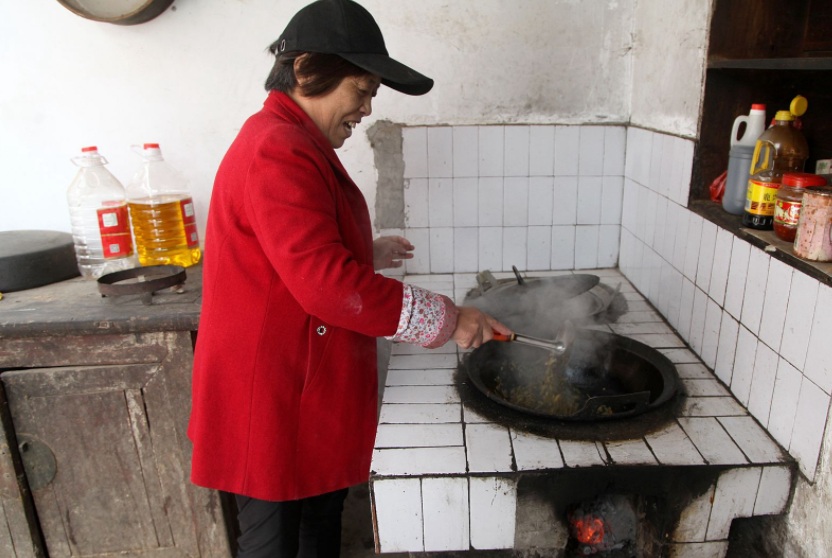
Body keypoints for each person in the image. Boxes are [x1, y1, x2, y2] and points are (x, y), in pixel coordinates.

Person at [187, 1, 510, 557]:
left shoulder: (292, 140)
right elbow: (326, 285)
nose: (365, 109)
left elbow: (298, 249)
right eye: (360, 90)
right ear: (309, 69)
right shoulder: (276, 149)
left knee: (317, 533)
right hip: (271, 400)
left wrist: (364, 249)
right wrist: (450, 319)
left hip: (301, 391)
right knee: (275, 546)